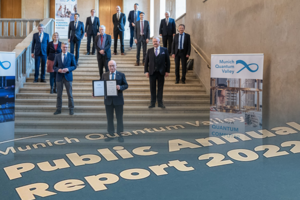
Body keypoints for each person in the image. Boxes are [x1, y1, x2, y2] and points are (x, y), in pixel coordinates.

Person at [102, 60, 128, 141]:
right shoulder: (104, 75)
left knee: (119, 117)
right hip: (108, 100)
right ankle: (110, 133)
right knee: (109, 117)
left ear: (116, 66)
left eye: (113, 65)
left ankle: (120, 133)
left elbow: (126, 85)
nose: (111, 67)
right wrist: (96, 92)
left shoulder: (121, 74)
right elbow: (101, 85)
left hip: (118, 100)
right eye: (110, 66)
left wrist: (120, 87)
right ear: (108, 66)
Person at [144, 37, 170, 108]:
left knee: (160, 88)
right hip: (152, 72)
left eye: (156, 41)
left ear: (159, 42)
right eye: (154, 41)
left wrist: (167, 71)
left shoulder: (164, 50)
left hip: (161, 72)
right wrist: (146, 71)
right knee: (152, 88)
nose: (155, 43)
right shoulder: (149, 50)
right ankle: (152, 102)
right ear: (152, 43)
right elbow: (146, 62)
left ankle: (160, 102)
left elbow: (167, 61)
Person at [53, 43, 77, 116]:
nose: (65, 48)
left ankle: (71, 109)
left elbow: (74, 66)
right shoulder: (57, 56)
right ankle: (58, 109)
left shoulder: (71, 55)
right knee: (59, 95)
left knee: (70, 94)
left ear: (68, 47)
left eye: (66, 47)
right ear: (61, 47)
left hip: (68, 77)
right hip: (59, 77)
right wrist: (58, 70)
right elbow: (54, 67)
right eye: (63, 47)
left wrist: (68, 69)